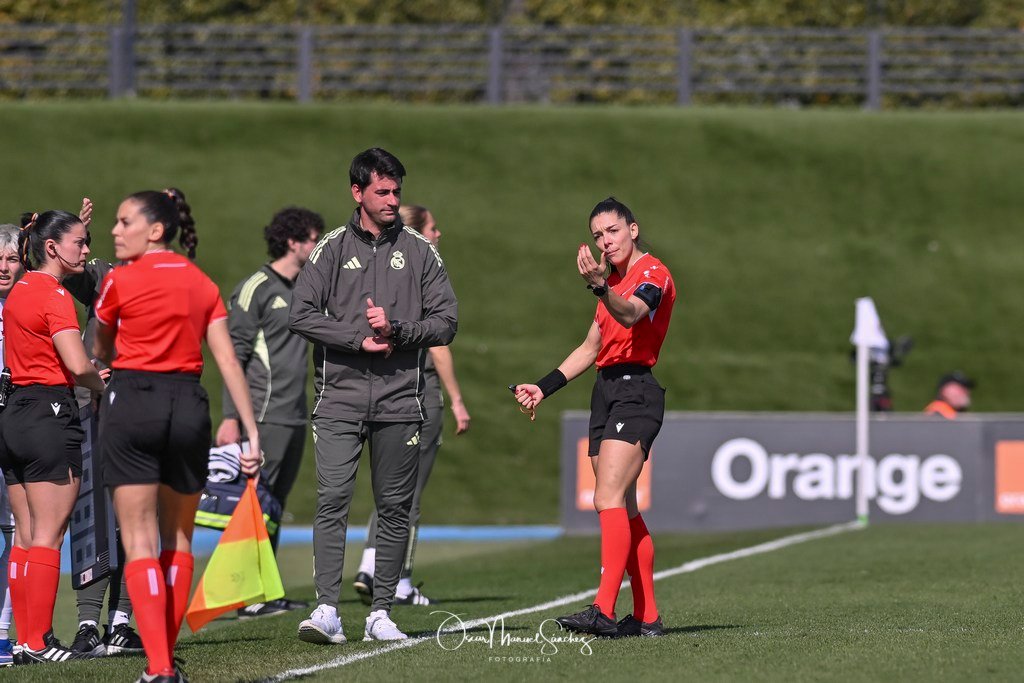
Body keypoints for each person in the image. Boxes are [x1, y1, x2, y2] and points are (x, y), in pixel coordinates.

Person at [93, 188, 262, 683]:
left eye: (124, 221)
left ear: (156, 229)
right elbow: (228, 361)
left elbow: (100, 345)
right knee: (179, 539)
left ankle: (161, 667)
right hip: (189, 405)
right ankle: (165, 658)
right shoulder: (202, 282)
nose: (115, 230)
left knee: (139, 541)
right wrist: (251, 433)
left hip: (133, 401)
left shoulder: (120, 279)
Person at [289, 148, 457, 644]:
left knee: (394, 506)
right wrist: (356, 338)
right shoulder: (331, 248)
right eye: (382, 191)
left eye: (396, 191)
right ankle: (326, 610)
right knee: (332, 499)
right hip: (338, 399)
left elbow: (447, 322)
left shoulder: (421, 251)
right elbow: (300, 314)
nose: (391, 200)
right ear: (357, 192)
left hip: (401, 400)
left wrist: (399, 330)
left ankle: (381, 612)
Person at [512, 197, 675, 638]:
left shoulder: (653, 273)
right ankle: (647, 617)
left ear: (633, 229)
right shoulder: (613, 284)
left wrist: (603, 288)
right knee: (624, 505)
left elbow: (633, 313)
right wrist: (543, 387)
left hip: (636, 391)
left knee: (607, 498)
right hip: (606, 392)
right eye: (598, 235)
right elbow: (591, 347)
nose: (606, 241)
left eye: (613, 231)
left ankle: (603, 609)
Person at [0, 210, 108, 663]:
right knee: (49, 533)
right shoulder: (53, 294)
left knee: (25, 534)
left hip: (13, 414)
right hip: (49, 412)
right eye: (79, 242)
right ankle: (39, 641)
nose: (86, 250)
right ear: (51, 247)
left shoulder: (18, 290)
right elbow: (78, 364)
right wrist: (98, 383)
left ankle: (25, 642)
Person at [353, 204, 471, 607]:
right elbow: (438, 343)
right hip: (420, 394)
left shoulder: (382, 271)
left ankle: (370, 565)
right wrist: (457, 401)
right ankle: (399, 580)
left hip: (384, 391)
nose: (438, 235)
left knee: (390, 489)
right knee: (411, 493)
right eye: (432, 228)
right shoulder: (423, 270)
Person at [214, 206, 324, 618]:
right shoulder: (255, 288)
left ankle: (265, 589)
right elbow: (234, 357)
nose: (318, 246)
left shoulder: (308, 287)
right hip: (262, 415)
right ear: (293, 242)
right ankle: (248, 595)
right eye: (313, 239)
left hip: (294, 414)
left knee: (274, 504)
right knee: (255, 504)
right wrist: (231, 417)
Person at [61, 198, 143, 658]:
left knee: (136, 517)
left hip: (140, 413)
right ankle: (88, 623)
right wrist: (75, 233)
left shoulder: (171, 282)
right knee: (91, 513)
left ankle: (121, 623)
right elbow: (66, 272)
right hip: (92, 409)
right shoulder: (103, 274)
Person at [0, 224, 22, 666]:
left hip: (20, 427)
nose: (3, 268)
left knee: (17, 532)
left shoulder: (31, 302)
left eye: (12, 259)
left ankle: (3, 634)